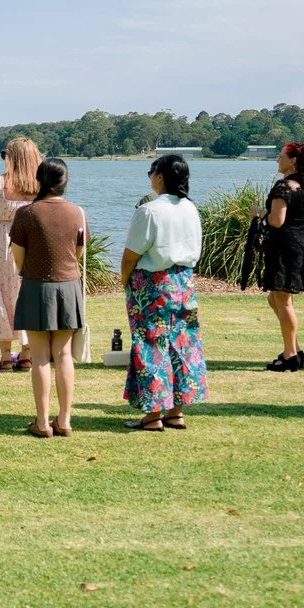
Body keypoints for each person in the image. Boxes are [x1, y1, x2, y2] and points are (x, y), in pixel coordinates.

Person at [119, 154, 208, 431]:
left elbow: (131, 255)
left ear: (160, 176)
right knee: (182, 343)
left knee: (150, 344)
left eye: (152, 172)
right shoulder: (190, 208)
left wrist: (125, 281)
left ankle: (152, 415)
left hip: (153, 283)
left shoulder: (150, 210)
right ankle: (176, 412)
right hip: (183, 281)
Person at [9, 157, 88, 437]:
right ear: (65, 182)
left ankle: (42, 422)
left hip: (35, 287)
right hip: (68, 286)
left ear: (39, 181)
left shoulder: (26, 213)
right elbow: (77, 253)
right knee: (64, 354)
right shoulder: (77, 213)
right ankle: (64, 420)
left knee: (40, 356)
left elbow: (18, 259)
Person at [0, 138, 42, 372]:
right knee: (27, 296)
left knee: (0, 295)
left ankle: (5, 357)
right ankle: (27, 354)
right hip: (31, 241)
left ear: (11, 158)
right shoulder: (41, 185)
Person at [260, 143, 304, 373]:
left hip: (283, 247)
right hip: (297, 245)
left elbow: (277, 220)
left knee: (282, 300)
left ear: (293, 160)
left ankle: (290, 355)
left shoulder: (284, 186)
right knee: (275, 299)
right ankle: (294, 348)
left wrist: (260, 213)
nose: (277, 160)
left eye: (281, 156)